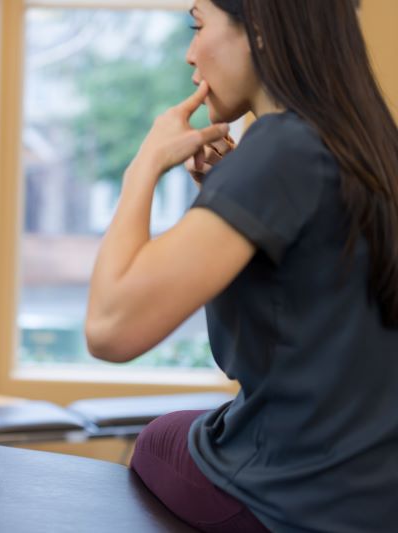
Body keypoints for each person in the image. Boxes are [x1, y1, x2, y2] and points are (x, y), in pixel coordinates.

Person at [85, 0, 398, 531]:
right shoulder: (370, 144)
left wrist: (144, 166)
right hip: (377, 490)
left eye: (197, 25)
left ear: (258, 32)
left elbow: (110, 329)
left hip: (297, 497)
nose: (189, 54)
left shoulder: (279, 148)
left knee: (156, 438)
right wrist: (227, 192)